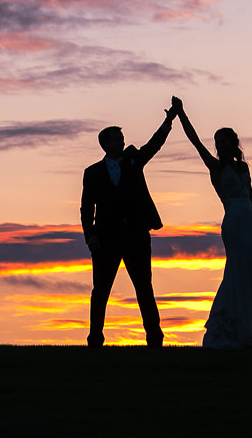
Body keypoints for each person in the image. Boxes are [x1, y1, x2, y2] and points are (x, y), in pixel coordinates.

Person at [79, 100, 178, 347]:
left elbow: (154, 145)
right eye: (117, 139)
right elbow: (86, 207)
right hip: (105, 239)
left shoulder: (134, 157)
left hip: (136, 235)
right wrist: (90, 235)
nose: (122, 142)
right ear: (105, 144)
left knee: (144, 287)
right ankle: (95, 339)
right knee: (100, 291)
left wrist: (169, 120)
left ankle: (154, 338)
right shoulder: (92, 172)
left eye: (122, 138)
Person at [173, 96, 252, 349]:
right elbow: (194, 141)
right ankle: (236, 333)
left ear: (233, 144)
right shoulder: (215, 167)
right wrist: (181, 114)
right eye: (217, 142)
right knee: (237, 275)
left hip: (249, 222)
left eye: (224, 142)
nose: (219, 146)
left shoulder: (244, 168)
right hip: (234, 225)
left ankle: (244, 327)